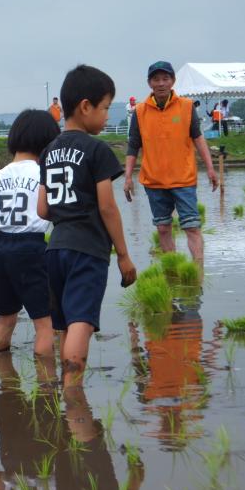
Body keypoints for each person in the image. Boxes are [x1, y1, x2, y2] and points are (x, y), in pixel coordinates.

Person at [37, 64, 137, 386]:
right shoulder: (97, 150)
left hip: (55, 249)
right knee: (82, 322)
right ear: (85, 107)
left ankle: (67, 407)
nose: (108, 116)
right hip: (88, 251)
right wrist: (122, 255)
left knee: (66, 323)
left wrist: (66, 214)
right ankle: (74, 397)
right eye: (105, 108)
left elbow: (42, 209)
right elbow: (108, 207)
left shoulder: (49, 151)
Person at [0, 109, 58, 358]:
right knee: (44, 323)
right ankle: (47, 391)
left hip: (1, 249)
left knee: (5, 318)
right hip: (32, 248)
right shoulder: (44, 174)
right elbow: (53, 213)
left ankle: (4, 382)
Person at [124, 61, 218, 264]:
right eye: (156, 79)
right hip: (154, 181)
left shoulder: (186, 106)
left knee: (192, 226)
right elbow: (133, 145)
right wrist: (127, 177)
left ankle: (197, 271)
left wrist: (210, 168)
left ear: (173, 81)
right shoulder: (140, 112)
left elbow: (198, 137)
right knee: (163, 227)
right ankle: (172, 269)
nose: (161, 83)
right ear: (150, 83)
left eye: (165, 78)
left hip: (183, 179)